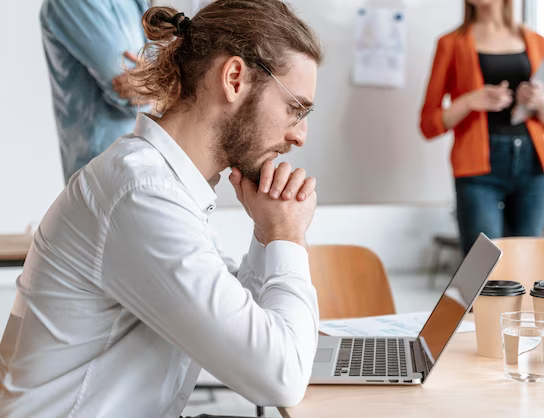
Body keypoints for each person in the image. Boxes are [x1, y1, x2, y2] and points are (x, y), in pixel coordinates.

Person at [0, 1, 323, 416]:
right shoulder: (141, 194)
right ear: (235, 78)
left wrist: (267, 233)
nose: (300, 136)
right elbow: (278, 378)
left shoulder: (164, 185)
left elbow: (241, 322)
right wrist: (286, 235)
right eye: (295, 109)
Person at [420, 0, 544, 255]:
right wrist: (469, 101)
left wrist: (540, 102)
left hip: (532, 166)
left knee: (527, 265)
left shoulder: (535, 40)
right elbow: (428, 124)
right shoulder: (450, 43)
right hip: (477, 171)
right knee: (482, 268)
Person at [40, 0, 153, 183]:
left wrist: (163, 83)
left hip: (146, 167)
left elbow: (160, 71)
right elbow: (134, 96)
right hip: (105, 177)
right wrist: (172, 84)